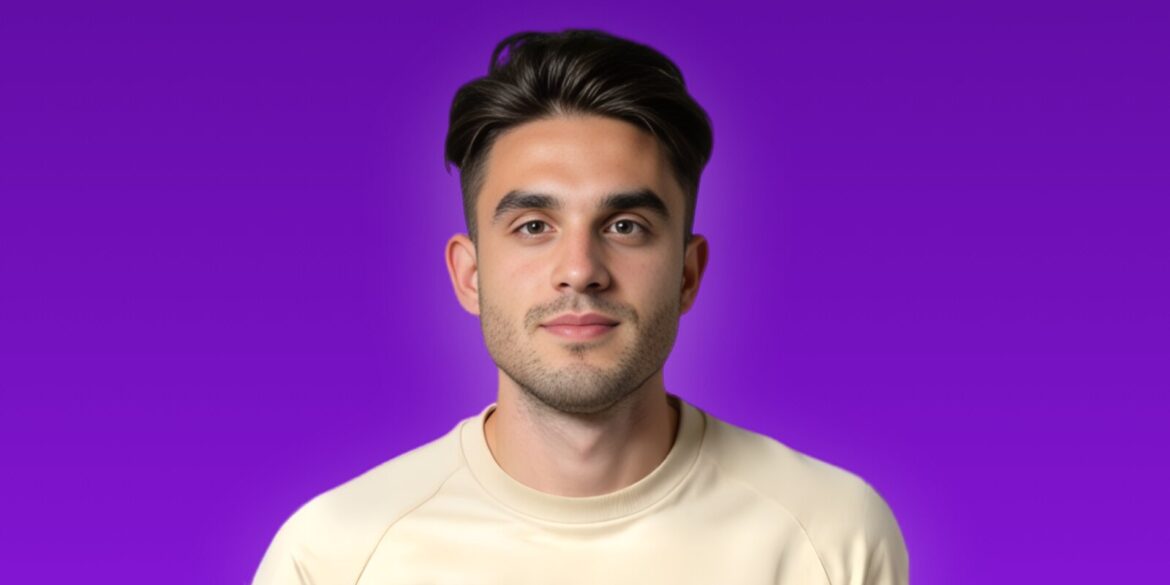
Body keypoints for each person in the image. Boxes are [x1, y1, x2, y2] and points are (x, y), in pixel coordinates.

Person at [252, 29, 909, 585]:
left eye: (625, 225)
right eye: (534, 225)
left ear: (687, 272)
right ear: (470, 274)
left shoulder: (831, 535)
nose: (580, 270)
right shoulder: (334, 557)